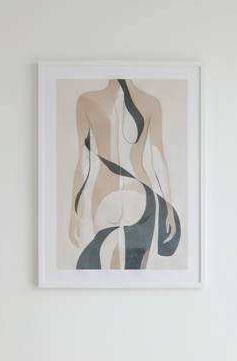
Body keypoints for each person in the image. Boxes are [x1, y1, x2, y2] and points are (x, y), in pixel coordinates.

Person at [69, 79, 181, 270]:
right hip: (141, 194)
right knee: (137, 271)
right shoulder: (151, 102)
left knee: (109, 272)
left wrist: (74, 212)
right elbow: (158, 161)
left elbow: (83, 163)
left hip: (103, 194)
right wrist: (169, 208)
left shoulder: (86, 100)